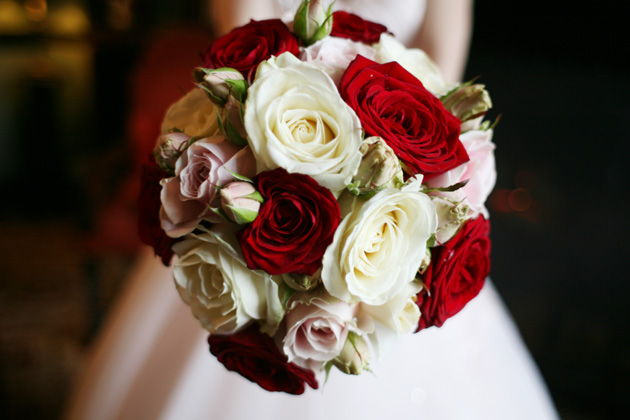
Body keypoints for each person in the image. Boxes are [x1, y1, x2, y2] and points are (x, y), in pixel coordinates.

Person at [65, 1, 560, 419]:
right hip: (262, 156)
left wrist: (403, 176)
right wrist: (291, 177)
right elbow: (245, 38)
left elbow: (442, 58)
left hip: (394, 184)